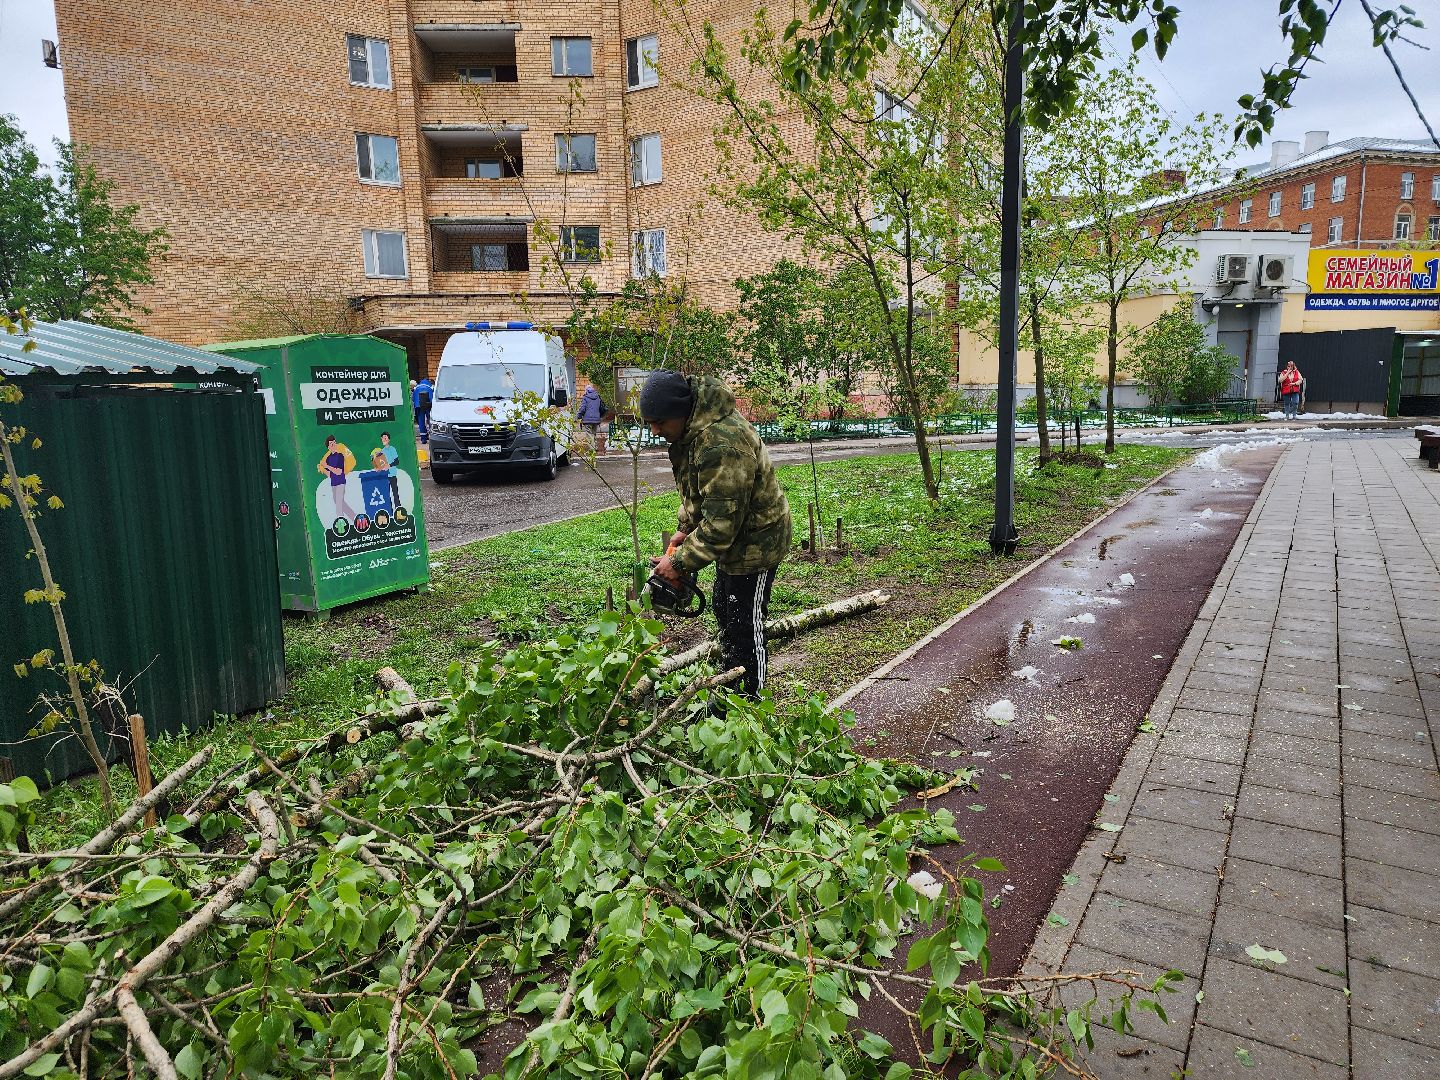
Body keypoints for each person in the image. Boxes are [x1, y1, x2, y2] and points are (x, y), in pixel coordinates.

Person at [643, 370, 792, 698]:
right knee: (726, 606)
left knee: (744, 622)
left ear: (681, 412)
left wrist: (679, 563)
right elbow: (702, 496)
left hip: (757, 541)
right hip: (736, 537)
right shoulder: (693, 433)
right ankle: (733, 680)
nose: (654, 430)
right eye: (649, 422)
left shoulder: (721, 442)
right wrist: (683, 534)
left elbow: (723, 523)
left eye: (660, 421)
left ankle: (750, 702)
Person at [317, 435, 357, 523]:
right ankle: (355, 518)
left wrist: (327, 466)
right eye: (331, 444)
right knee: (340, 503)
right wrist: (324, 469)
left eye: (335, 442)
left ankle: (341, 524)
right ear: (328, 447)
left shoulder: (340, 456)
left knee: (339, 505)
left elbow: (339, 472)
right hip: (333, 483)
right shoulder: (328, 458)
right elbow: (329, 474)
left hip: (341, 482)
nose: (334, 445)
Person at [576, 383, 611, 454]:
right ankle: (594, 447)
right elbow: (601, 408)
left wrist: (578, 416)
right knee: (593, 433)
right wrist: (600, 416)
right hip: (596, 420)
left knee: (589, 434)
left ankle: (592, 449)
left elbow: (582, 409)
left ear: (586, 390)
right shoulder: (598, 397)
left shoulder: (585, 397)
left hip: (587, 420)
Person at [379, 431, 401, 508]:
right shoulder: (382, 451)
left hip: (392, 474)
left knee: (395, 493)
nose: (384, 439)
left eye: (385, 438)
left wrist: (389, 465)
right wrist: (378, 468)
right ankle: (389, 510)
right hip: (384, 475)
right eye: (382, 438)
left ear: (389, 439)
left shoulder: (392, 449)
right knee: (386, 494)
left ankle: (398, 509)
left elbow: (397, 461)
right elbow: (381, 463)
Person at [412, 376, 434, 445]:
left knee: (421, 422)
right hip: (429, 405)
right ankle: (432, 437)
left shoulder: (417, 387)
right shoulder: (430, 386)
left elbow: (413, 398)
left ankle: (423, 439)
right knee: (430, 421)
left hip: (419, 405)